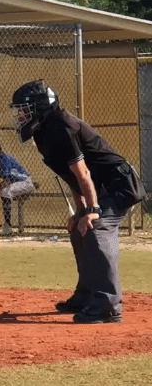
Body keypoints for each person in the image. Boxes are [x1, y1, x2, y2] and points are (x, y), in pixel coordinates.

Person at [10, 79, 146, 324]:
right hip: (100, 185)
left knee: (97, 228)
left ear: (40, 108)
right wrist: (81, 210)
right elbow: (71, 176)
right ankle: (86, 294)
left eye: (24, 110)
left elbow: (83, 172)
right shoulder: (43, 131)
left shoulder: (60, 125)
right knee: (78, 230)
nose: (20, 115)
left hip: (118, 184)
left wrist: (92, 210)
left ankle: (107, 304)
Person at [0, 145, 35, 236]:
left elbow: (7, 180)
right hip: (15, 182)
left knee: (4, 192)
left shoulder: (3, 158)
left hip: (24, 182)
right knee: (2, 190)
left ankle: (8, 226)